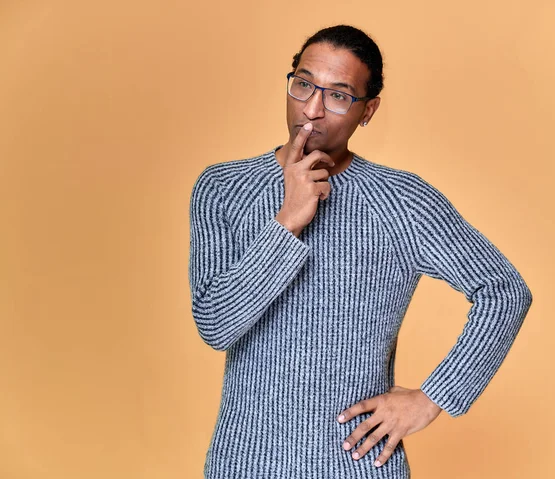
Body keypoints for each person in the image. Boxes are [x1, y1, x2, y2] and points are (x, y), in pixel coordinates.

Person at [188, 24, 533, 479]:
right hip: (245, 462)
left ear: (368, 111)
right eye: (303, 84)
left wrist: (434, 397)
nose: (311, 109)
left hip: (357, 465)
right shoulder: (223, 189)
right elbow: (216, 325)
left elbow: (504, 290)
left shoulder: (403, 200)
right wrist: (287, 221)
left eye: (338, 96)